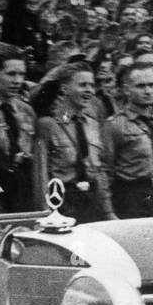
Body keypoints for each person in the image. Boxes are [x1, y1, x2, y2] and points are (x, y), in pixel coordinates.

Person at [33, 62, 114, 223]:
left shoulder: (94, 125)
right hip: (64, 202)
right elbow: (40, 174)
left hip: (93, 202)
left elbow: (99, 172)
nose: (89, 90)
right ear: (64, 89)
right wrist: (44, 211)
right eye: (83, 85)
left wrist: (108, 211)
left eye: (91, 85)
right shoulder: (48, 125)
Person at [101, 62, 153, 219]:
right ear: (127, 89)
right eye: (141, 86)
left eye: (152, 85)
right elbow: (104, 171)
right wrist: (108, 212)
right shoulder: (115, 125)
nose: (148, 91)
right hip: (132, 196)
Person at [0, 43, 40, 212]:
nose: (18, 80)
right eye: (11, 74)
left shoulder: (27, 111)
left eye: (21, 74)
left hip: (22, 191)